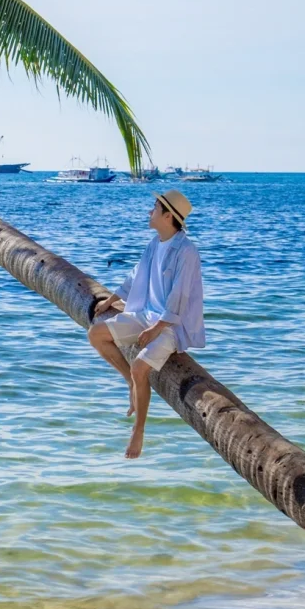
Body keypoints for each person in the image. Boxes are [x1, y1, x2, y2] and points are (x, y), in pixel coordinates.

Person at [87, 190, 204, 459]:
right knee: (96, 334)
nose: (149, 211)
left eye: (154, 207)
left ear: (167, 216)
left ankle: (138, 431)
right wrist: (112, 299)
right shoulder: (155, 243)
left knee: (141, 367)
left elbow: (180, 297)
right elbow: (135, 276)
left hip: (170, 325)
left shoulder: (186, 251)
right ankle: (129, 380)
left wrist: (157, 328)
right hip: (145, 315)